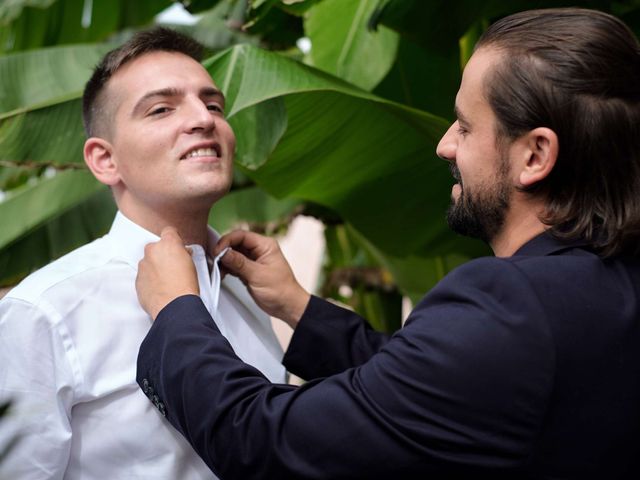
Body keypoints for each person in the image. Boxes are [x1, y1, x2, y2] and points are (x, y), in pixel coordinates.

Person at [135, 8, 640, 479]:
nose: (445, 144)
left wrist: (177, 311)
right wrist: (298, 308)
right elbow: (431, 377)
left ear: (535, 155)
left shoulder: (511, 306)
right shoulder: (611, 280)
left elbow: (262, 440)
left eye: (465, 126)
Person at [0, 28, 286, 479]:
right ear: (104, 160)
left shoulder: (250, 291)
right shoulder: (46, 311)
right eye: (161, 109)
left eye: (213, 105)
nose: (203, 119)